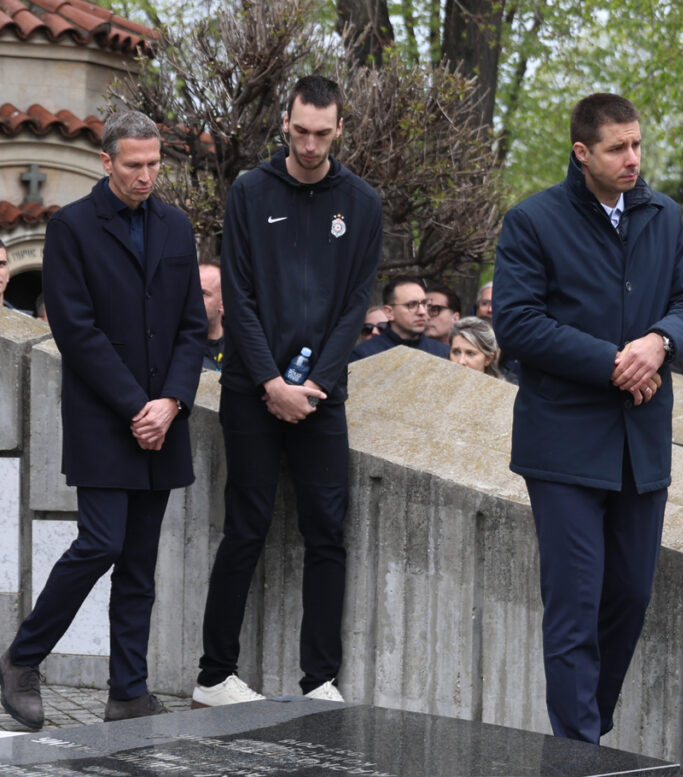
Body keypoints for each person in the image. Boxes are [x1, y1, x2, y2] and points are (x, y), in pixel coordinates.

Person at [493, 93, 683, 744]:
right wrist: (616, 361)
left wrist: (660, 341)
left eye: (637, 144)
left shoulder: (664, 216)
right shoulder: (532, 220)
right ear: (582, 152)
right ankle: (579, 748)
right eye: (617, 148)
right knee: (574, 606)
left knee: (630, 599)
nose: (632, 159)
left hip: (641, 443)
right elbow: (518, 322)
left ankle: (586, 732)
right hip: (562, 444)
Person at [0, 110, 207, 729]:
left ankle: (128, 692)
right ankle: (22, 659)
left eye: (154, 163)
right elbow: (75, 329)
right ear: (106, 162)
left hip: (163, 418)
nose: (147, 175)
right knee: (102, 543)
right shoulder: (72, 229)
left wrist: (170, 401)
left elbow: (192, 326)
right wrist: (135, 405)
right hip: (104, 418)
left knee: (140, 559)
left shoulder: (176, 225)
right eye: (134, 165)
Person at [194, 75, 382, 708]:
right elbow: (238, 294)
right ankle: (214, 676)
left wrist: (316, 383)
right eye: (300, 131)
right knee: (245, 528)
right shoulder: (250, 190)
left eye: (321, 134)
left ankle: (319, 681)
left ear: (338, 130)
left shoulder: (360, 201)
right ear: (285, 124)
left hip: (324, 396)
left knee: (327, 533)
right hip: (252, 388)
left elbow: (356, 302)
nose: (309, 144)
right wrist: (272, 382)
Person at [349, 277, 449, 361]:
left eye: (424, 304)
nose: (422, 311)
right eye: (412, 305)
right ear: (389, 312)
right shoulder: (363, 355)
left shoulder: (443, 353)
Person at [199, 259, 224, 371]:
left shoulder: (243, 346)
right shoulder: (174, 347)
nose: (194, 299)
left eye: (204, 293)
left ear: (223, 304)